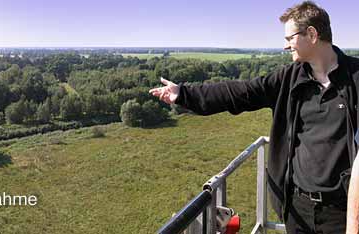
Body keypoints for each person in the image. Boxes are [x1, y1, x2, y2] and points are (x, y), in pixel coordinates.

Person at [149, 1, 359, 233]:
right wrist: (184, 95)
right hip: (298, 209)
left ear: (311, 34)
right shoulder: (289, 79)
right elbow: (242, 92)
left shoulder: (356, 80)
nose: (285, 46)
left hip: (344, 212)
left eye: (290, 38)